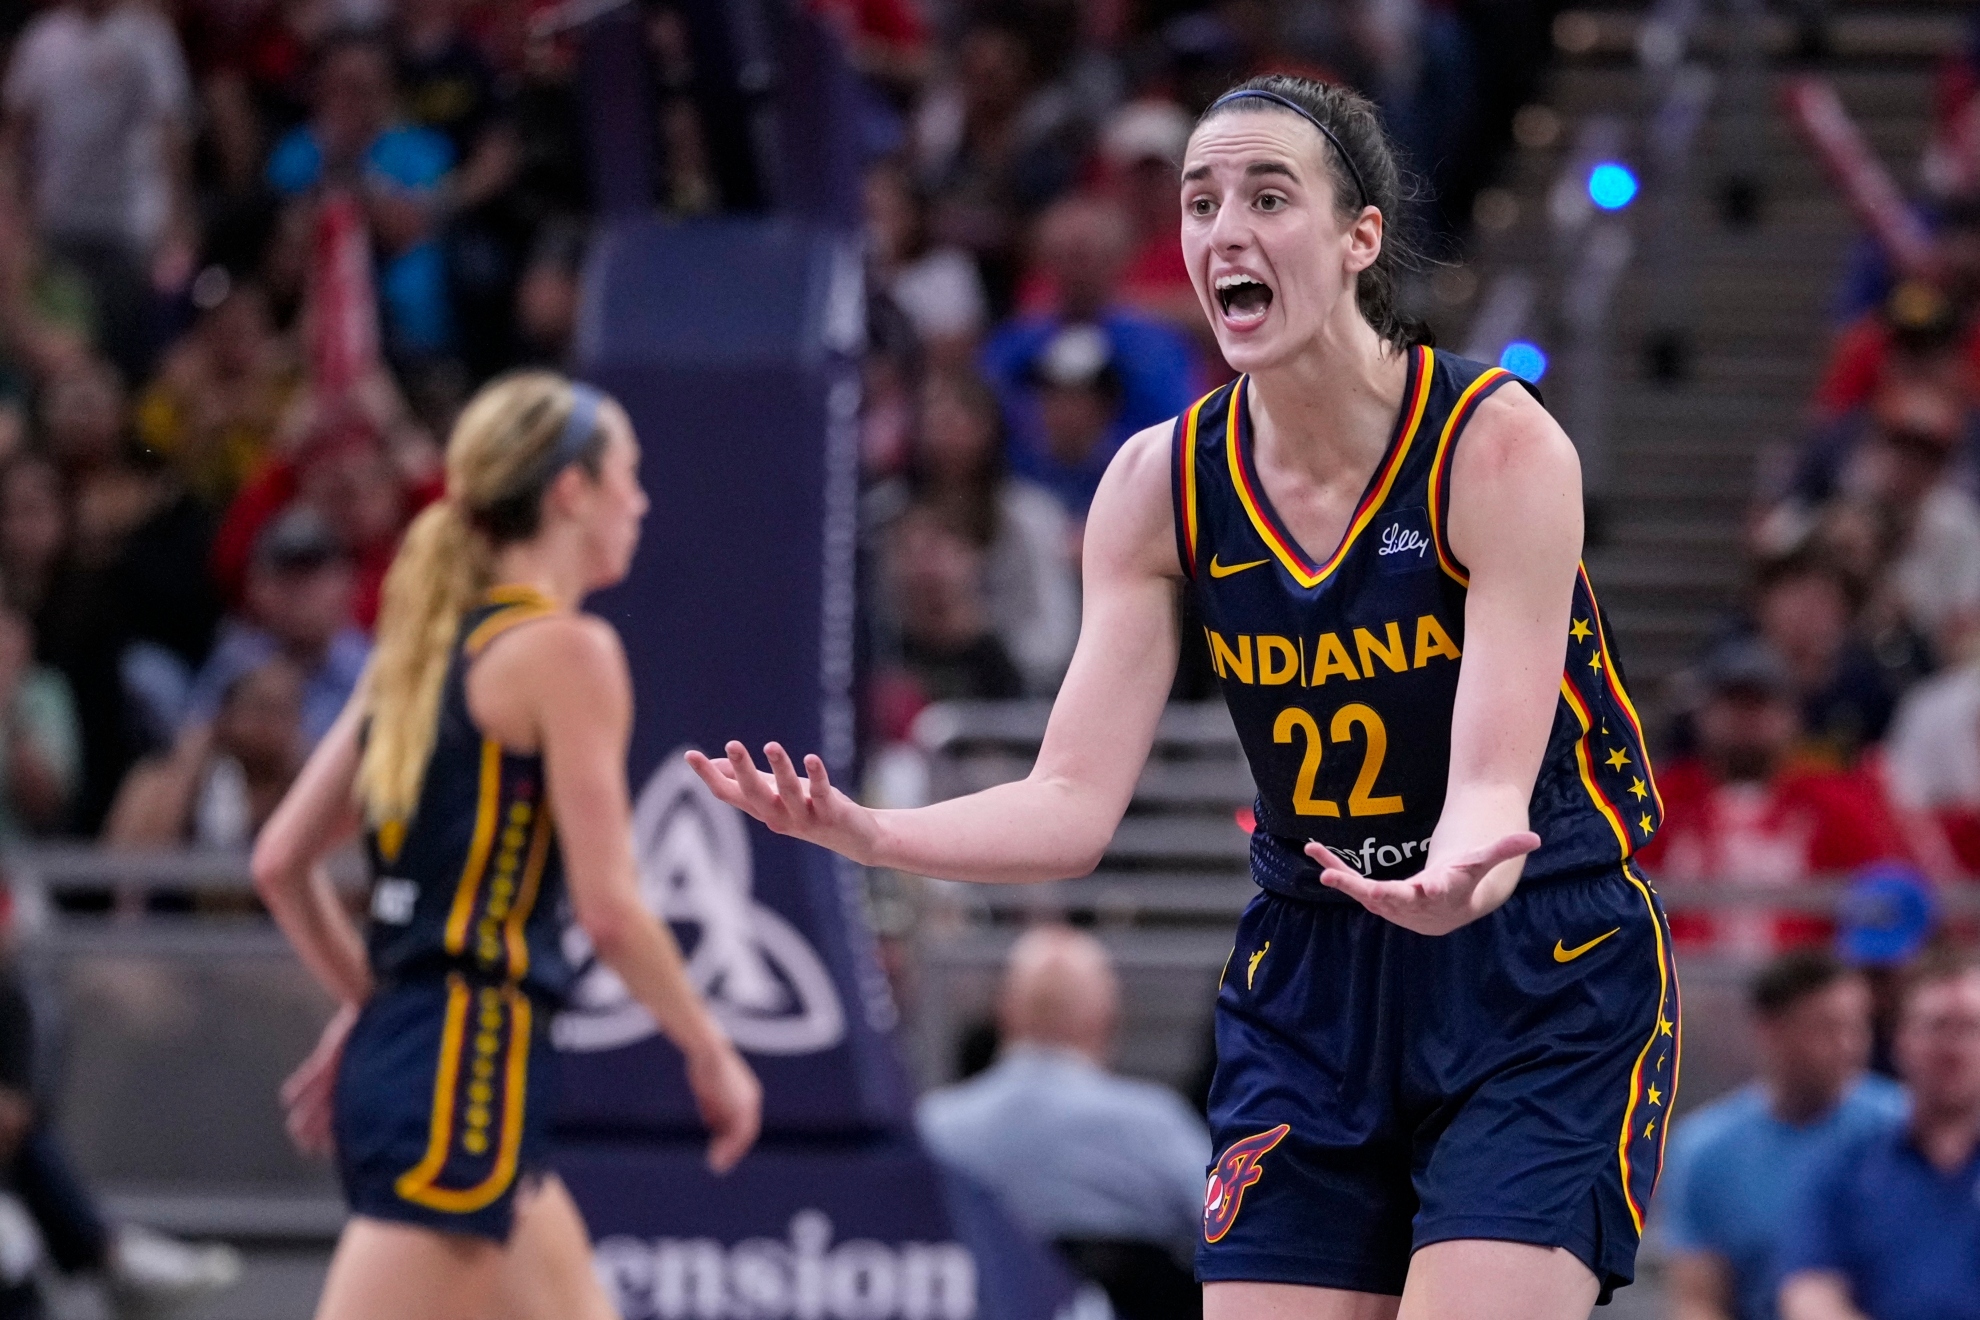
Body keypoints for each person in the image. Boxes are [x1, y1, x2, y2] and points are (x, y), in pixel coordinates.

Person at [693, 75, 1679, 1318]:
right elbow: (1068, 803)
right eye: (1201, 202)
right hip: (1317, 974)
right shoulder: (1160, 483)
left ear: (1358, 236)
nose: (1225, 230)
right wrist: (873, 834)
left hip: (1533, 955)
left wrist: (1458, 874)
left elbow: (1491, 785)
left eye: (1269, 196)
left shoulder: (1496, 445)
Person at [250, 372, 761, 1320]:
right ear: (571, 492)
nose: (641, 502)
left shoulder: (416, 654)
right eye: (629, 477)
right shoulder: (568, 655)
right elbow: (611, 911)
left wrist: (380, 1006)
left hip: (438, 1065)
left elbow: (281, 862)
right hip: (462, 1078)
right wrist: (711, 1049)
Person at [919, 926, 1212, 1255]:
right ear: (1108, 1018)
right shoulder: (1158, 1125)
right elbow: (1227, 1229)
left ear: (1002, 1013)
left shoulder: (931, 1129)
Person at [1656, 951, 1906, 1320]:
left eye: (1858, 1026)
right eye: (1826, 1027)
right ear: (1769, 1029)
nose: (1848, 1045)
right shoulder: (1704, 1150)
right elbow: (1699, 1298)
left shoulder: (1904, 1129)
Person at [1637, 639, 1911, 955]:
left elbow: (1887, 899)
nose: (1746, 721)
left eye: (1760, 705)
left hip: (1802, 986)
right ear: (1702, 714)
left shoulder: (1834, 802)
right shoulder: (1660, 799)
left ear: (1792, 716)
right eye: (1733, 704)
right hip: (1681, 984)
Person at [1778, 948, 1980, 1320]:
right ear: (1901, 1040)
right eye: (1936, 1026)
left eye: (1970, 1027)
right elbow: (1808, 1295)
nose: (1953, 1048)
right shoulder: (1843, 1170)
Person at [185, 507, 368, 746]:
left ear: (348, 583)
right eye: (286, 577)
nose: (300, 593)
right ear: (255, 588)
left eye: (313, 575)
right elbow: (191, 752)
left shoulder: (370, 668)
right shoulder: (236, 662)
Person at [105, 656, 304, 848]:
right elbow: (131, 868)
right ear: (225, 714)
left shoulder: (303, 782)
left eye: (285, 711)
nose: (270, 724)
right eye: (261, 708)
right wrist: (186, 768)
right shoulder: (157, 780)